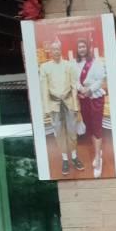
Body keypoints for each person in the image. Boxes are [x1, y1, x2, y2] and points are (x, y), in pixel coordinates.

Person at [39, 38, 82, 175]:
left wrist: (76, 107)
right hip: (54, 105)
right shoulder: (45, 67)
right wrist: (46, 109)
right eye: (53, 50)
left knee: (72, 131)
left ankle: (74, 157)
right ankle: (65, 160)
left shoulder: (69, 65)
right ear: (50, 52)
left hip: (69, 102)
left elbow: (74, 86)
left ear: (60, 50)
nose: (55, 52)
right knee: (59, 132)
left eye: (57, 49)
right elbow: (44, 89)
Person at [75, 35, 107, 178]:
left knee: (97, 127)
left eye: (83, 47)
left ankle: (98, 160)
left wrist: (89, 90)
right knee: (89, 126)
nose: (81, 49)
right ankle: (97, 151)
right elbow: (74, 80)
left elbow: (100, 80)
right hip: (83, 98)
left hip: (95, 98)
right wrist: (81, 90)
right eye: (79, 47)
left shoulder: (96, 62)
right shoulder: (74, 63)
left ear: (88, 48)